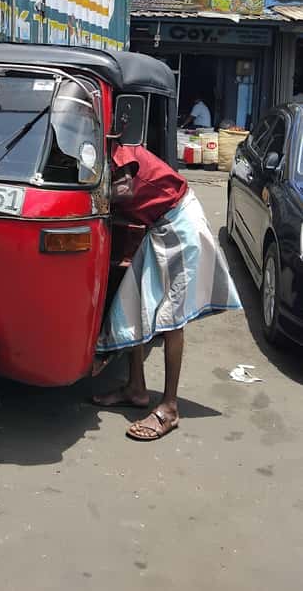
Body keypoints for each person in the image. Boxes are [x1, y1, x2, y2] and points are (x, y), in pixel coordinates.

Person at [92, 142, 241, 441]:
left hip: (181, 224)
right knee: (133, 303)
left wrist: (91, 194)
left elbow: (121, 191)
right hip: (160, 226)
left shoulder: (121, 157)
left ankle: (170, 407)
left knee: (171, 318)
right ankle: (136, 389)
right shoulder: (105, 158)